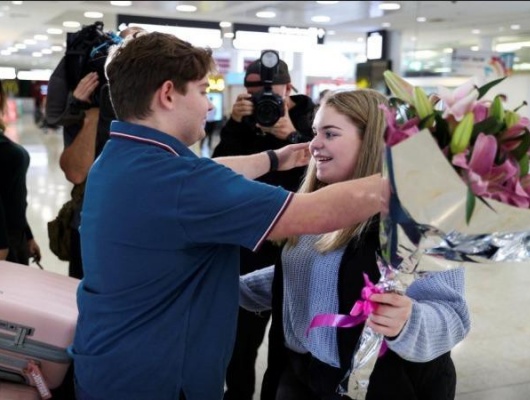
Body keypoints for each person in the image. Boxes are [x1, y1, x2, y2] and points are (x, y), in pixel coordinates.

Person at [69, 32, 389, 400]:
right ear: (168, 94)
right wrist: (414, 177)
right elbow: (311, 212)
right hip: (159, 378)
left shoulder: (120, 159)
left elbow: (211, 171)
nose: (209, 105)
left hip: (111, 365)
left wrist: (275, 157)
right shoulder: (181, 184)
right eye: (204, 91)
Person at [239, 89, 471, 400]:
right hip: (299, 376)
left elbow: (453, 317)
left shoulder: (418, 219)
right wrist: (231, 288)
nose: (314, 144)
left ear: (371, 140)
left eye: (330, 134)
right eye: (315, 132)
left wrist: (407, 321)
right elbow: (305, 275)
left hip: (384, 385)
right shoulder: (314, 208)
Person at [212, 56, 316, 400]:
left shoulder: (313, 121)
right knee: (239, 345)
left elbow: (324, 180)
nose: (265, 102)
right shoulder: (241, 124)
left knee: (285, 348)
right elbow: (220, 176)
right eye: (255, 94)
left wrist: (294, 136)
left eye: (271, 93)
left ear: (289, 88)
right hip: (248, 248)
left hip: (294, 249)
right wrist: (234, 125)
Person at [46, 25, 145, 279]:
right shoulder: (84, 107)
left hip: (142, 231)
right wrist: (91, 115)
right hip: (92, 228)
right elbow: (77, 173)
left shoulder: (153, 109)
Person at [0, 79, 42, 266]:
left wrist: (28, 235)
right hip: (5, 244)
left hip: (14, 238)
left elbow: (13, 197)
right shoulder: (6, 150)